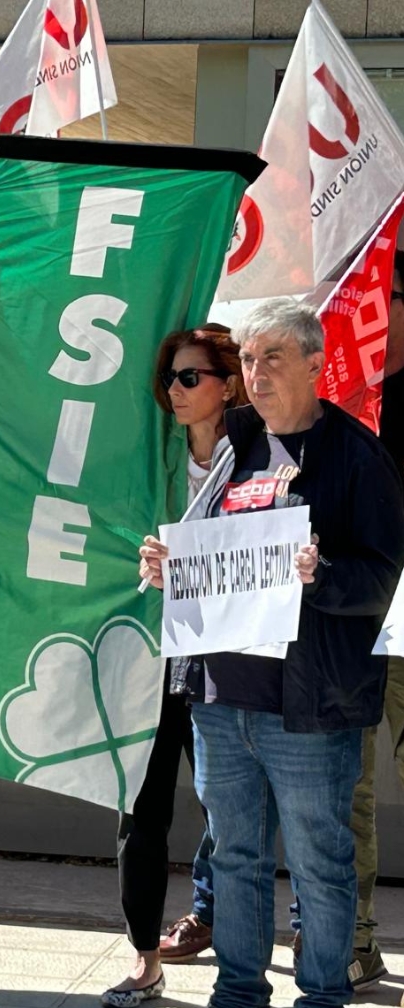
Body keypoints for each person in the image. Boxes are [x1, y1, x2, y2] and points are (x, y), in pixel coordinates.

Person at [139, 298, 404, 1008]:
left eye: (273, 358)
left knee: (320, 865)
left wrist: (323, 576)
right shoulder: (236, 444)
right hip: (221, 702)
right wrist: (169, 564)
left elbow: (382, 580)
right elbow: (208, 545)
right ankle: (237, 995)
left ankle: (321, 997)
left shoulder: (357, 458)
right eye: (249, 360)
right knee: (235, 860)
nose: (255, 374)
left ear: (316, 365)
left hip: (309, 711)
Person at [103, 324, 245, 1007]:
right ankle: (144, 956)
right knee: (142, 807)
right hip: (154, 654)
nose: (176, 391)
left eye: (190, 377)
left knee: (235, 811)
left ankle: (233, 950)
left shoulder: (260, 459)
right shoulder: (152, 458)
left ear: (229, 384)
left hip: (230, 660)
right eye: (170, 380)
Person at [334, 253, 404, 990]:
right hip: (350, 618)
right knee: (347, 790)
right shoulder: (337, 399)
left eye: (384, 291)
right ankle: (354, 944)